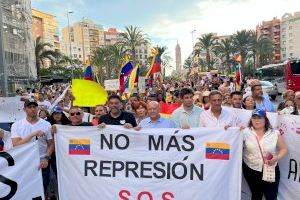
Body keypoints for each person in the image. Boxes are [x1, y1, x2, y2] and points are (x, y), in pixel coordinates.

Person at [11, 98, 54, 196]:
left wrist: (46, 158)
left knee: (43, 189)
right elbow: (16, 145)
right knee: (26, 191)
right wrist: (32, 134)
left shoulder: (46, 124)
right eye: (30, 107)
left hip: (42, 162)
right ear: (24, 109)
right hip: (24, 163)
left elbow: (51, 144)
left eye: (35, 106)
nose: (33, 109)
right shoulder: (17, 125)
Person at [242, 109, 287, 200]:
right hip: (251, 169)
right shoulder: (245, 132)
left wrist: (277, 158)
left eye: (259, 118)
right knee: (256, 195)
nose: (256, 120)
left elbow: (283, 149)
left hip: (270, 169)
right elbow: (232, 140)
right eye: (254, 118)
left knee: (271, 196)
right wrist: (229, 130)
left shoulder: (274, 133)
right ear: (251, 120)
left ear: (265, 119)